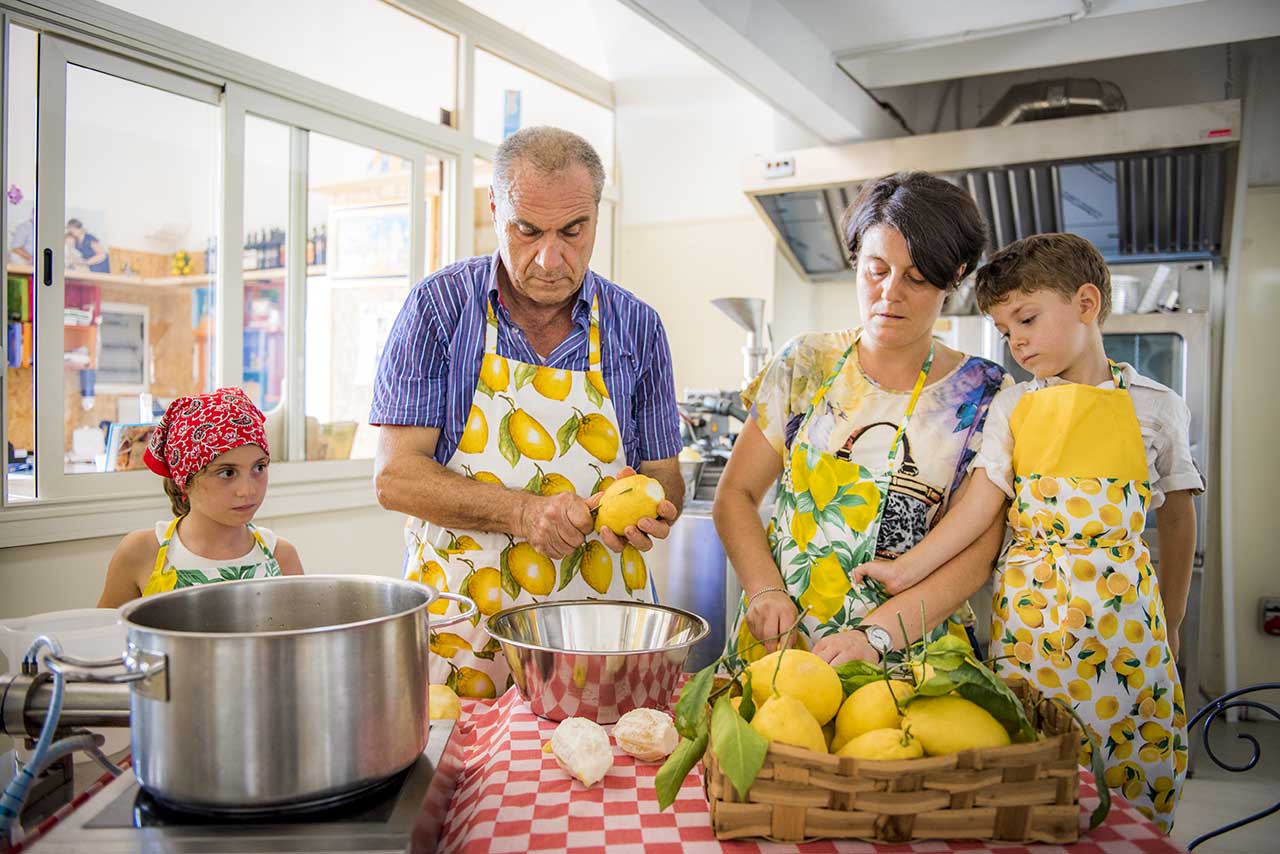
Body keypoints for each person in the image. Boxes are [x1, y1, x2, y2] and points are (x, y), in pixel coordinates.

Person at [857, 233, 1198, 831]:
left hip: (1128, 627)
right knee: (1035, 774)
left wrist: (1171, 621)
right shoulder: (1013, 406)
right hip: (1035, 623)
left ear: (1086, 304)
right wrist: (907, 569)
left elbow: (1176, 517)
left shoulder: (1157, 406)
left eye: (1028, 319)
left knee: (1133, 771)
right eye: (1004, 328)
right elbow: (980, 504)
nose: (1016, 341)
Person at [371, 126, 684, 699]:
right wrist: (523, 514)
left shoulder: (638, 326)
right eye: (526, 230)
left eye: (572, 231)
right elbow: (396, 478)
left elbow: (666, 477)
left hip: (600, 639)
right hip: (464, 634)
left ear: (596, 216)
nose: (549, 258)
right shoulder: (439, 310)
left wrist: (651, 508)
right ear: (494, 210)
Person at [715, 171, 1011, 672]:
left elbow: (977, 555)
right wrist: (765, 590)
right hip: (780, 651)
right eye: (876, 269)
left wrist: (876, 636)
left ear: (953, 276)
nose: (889, 293)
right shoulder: (805, 363)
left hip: (908, 661)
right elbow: (735, 496)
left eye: (916, 278)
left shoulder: (984, 395)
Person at [98, 388, 302, 607]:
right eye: (227, 473)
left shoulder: (281, 557)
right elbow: (105, 635)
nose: (247, 490)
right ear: (184, 481)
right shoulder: (141, 552)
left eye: (259, 467)